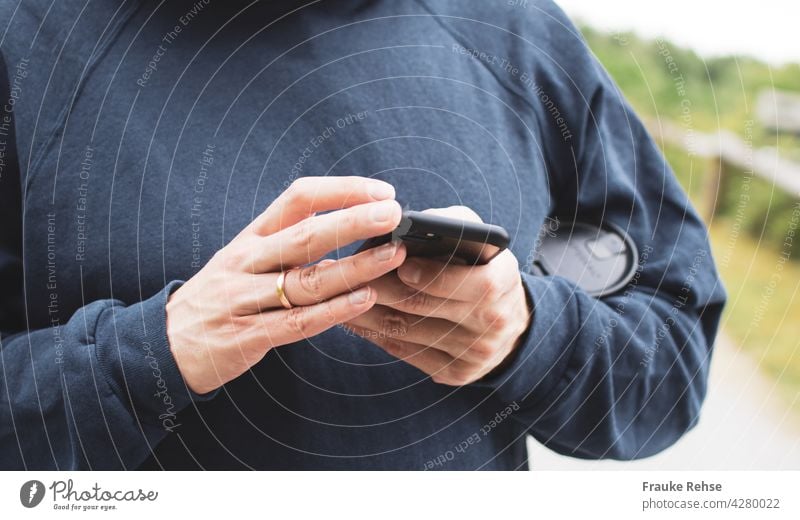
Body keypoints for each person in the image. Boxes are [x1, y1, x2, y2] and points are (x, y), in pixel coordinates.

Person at [0, 0, 726, 470]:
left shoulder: (517, 33)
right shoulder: (27, 37)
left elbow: (674, 356)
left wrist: (529, 335)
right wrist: (149, 357)